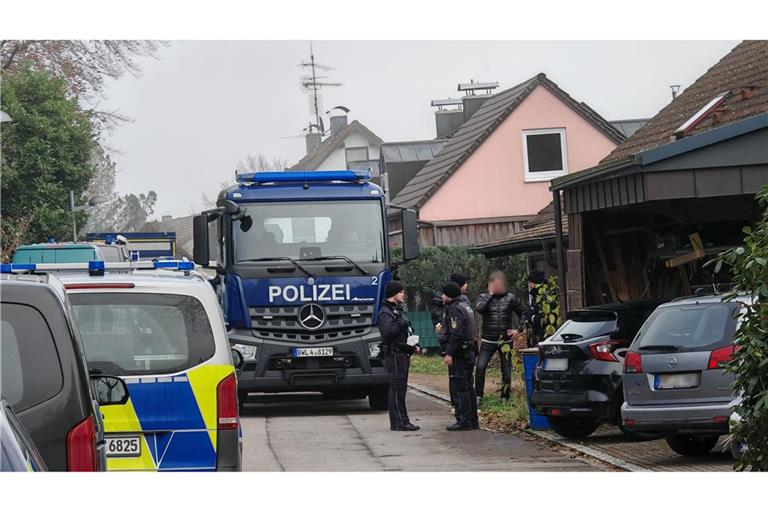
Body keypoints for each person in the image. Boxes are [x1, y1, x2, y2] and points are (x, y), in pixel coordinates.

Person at [474, 270, 529, 402]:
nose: (499, 287)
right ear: (490, 285)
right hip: (488, 339)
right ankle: (478, 396)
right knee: (480, 367)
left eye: (500, 284)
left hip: (505, 341)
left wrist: (518, 329)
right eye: (495, 285)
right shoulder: (483, 297)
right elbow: (480, 309)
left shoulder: (510, 298)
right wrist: (490, 295)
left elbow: (524, 312)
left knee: (506, 370)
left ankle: (505, 397)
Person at [378, 281, 420, 432]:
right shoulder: (385, 312)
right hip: (394, 355)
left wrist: (411, 345)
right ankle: (400, 422)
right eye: (401, 292)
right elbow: (387, 334)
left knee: (400, 388)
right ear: (393, 294)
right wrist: (399, 322)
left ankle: (400, 421)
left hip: (402, 353)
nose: (403, 294)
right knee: (397, 389)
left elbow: (403, 332)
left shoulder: (396, 310)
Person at [441, 282, 479, 431]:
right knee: (469, 387)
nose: (442, 297)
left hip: (460, 353)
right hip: (468, 351)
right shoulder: (466, 306)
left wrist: (449, 352)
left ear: (449, 295)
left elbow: (456, 333)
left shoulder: (455, 309)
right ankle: (472, 420)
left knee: (460, 387)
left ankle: (464, 421)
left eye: (444, 294)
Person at [527, 270, 547, 346]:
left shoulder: (544, 296)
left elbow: (544, 315)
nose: (529, 285)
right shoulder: (534, 295)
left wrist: (534, 318)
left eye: (530, 282)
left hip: (545, 331)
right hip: (536, 331)